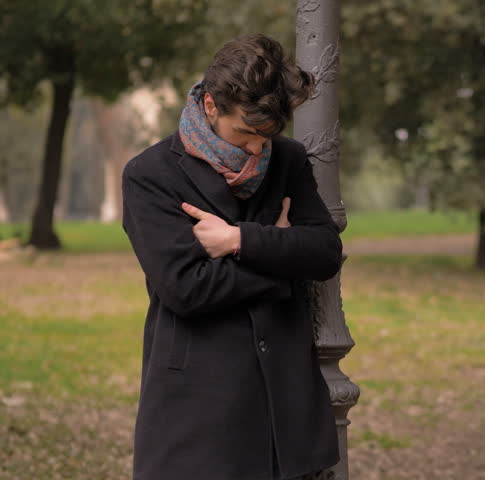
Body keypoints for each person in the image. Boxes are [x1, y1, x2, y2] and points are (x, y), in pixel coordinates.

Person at [121, 33, 342, 480]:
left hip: (286, 407)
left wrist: (239, 240)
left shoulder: (288, 160)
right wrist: (282, 268)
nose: (258, 149)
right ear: (210, 107)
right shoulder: (150, 175)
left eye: (268, 136)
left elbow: (323, 252)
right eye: (246, 133)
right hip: (198, 409)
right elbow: (187, 288)